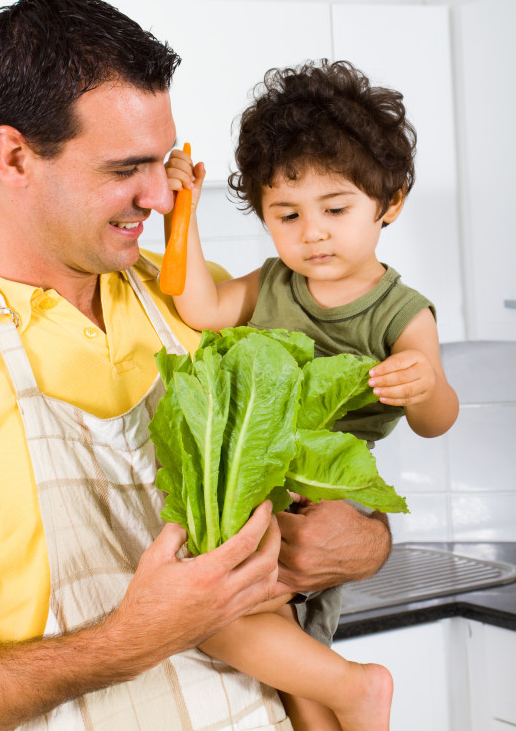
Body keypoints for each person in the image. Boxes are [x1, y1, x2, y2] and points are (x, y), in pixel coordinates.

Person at [0, 0, 392, 731]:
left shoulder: (185, 301)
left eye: (162, 161)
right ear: (14, 155)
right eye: (123, 169)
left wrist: (359, 540)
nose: (160, 197)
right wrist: (129, 640)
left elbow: (331, 489)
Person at [164, 59, 459, 730]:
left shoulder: (401, 313)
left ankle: (358, 690)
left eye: (335, 208)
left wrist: (425, 384)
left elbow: (439, 422)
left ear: (391, 202)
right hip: (264, 481)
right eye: (286, 213)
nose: (313, 231)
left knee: (221, 618)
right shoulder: (273, 284)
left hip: (330, 486)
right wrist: (183, 210)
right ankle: (352, 696)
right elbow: (199, 306)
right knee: (282, 656)